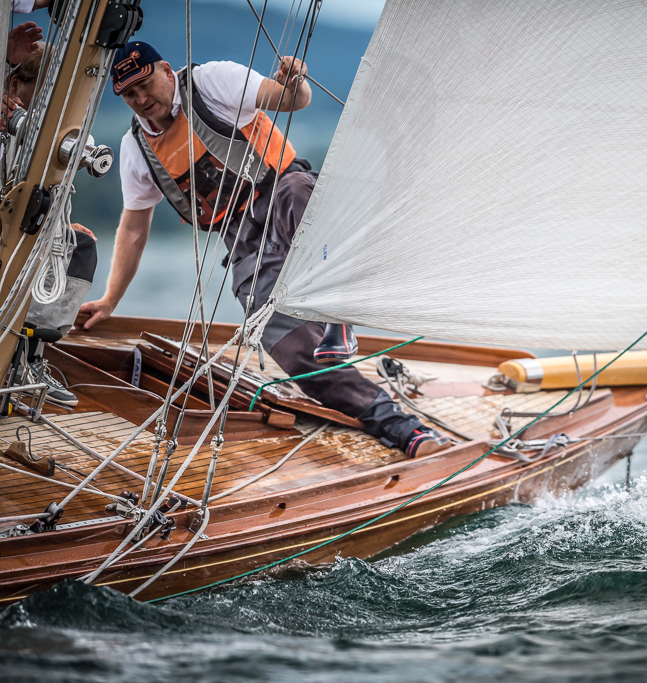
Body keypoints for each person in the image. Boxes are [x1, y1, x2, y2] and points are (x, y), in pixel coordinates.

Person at [79, 41, 449, 458]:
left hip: (286, 198)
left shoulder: (210, 81)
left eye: (146, 85)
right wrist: (110, 299)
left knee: (298, 192)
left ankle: (336, 315)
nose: (141, 99)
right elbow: (133, 229)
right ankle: (401, 428)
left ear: (166, 71)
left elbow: (292, 100)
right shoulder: (136, 149)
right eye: (129, 95)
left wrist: (296, 82)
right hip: (244, 245)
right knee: (294, 351)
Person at [4, 42, 98, 407]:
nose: (58, 106)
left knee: (79, 246)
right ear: (16, 86)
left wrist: (60, 227)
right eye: (49, 92)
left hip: (26, 227)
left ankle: (28, 357)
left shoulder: (62, 138)